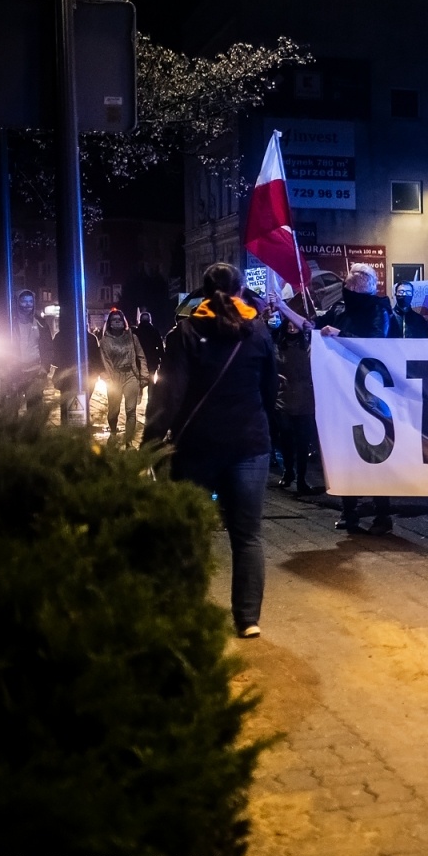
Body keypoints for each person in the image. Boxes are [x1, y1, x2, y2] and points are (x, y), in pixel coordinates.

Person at [144, 263, 278, 638]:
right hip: (250, 444)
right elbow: (270, 392)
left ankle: (189, 611)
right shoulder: (258, 332)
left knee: (192, 531)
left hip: (196, 446)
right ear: (240, 291)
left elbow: (168, 395)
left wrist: (150, 443)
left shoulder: (185, 332)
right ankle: (248, 619)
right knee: (248, 535)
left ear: (202, 292)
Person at [320, 262, 395, 534]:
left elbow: (373, 343)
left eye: (354, 288)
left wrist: (340, 335)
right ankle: (349, 511)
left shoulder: (379, 311)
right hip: (343, 390)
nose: (349, 291)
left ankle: (382, 514)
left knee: (374, 453)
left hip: (373, 391)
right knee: (346, 452)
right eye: (347, 287)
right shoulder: (339, 309)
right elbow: (316, 328)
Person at [273, 307, 321, 496]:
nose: (292, 328)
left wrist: (282, 305)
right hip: (284, 398)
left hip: (305, 399)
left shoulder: (309, 343)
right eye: (289, 324)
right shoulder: (277, 343)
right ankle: (288, 471)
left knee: (302, 441)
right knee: (286, 439)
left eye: (295, 324)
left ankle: (301, 478)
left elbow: (309, 327)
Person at [0, 289, 55, 415]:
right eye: (24, 301)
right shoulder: (8, 324)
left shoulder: (41, 323)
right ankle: (11, 434)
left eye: (30, 301)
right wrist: (1, 370)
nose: (28, 304)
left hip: (35, 372)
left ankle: (33, 434)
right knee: (10, 410)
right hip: (13, 374)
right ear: (17, 302)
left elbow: (48, 347)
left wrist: (44, 368)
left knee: (35, 411)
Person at [97, 308, 149, 444]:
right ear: (109, 323)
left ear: (123, 321)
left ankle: (129, 441)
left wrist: (144, 375)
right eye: (114, 320)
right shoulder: (104, 341)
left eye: (119, 319)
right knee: (113, 410)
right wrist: (107, 377)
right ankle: (113, 432)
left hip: (131, 375)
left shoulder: (132, 337)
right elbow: (103, 361)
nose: (117, 322)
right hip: (114, 377)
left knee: (131, 410)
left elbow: (141, 356)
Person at [134, 308, 165, 381]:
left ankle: (140, 391)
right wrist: (162, 358)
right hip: (152, 360)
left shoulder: (136, 332)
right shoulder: (154, 331)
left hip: (138, 360)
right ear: (150, 320)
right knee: (151, 379)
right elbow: (160, 346)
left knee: (139, 379)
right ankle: (151, 391)